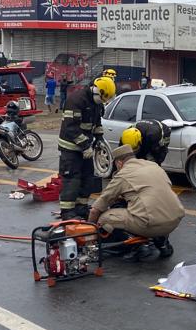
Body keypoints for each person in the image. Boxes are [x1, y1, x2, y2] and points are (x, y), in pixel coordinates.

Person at [88, 145, 183, 258]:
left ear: (119, 163)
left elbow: (95, 210)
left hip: (151, 224)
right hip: (174, 220)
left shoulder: (123, 175)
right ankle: (162, 242)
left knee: (105, 217)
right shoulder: (153, 166)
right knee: (152, 208)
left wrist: (90, 233)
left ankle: (137, 246)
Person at [57, 76, 114, 219]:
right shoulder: (76, 100)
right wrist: (84, 145)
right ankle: (67, 212)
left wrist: (99, 138)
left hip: (86, 149)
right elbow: (71, 128)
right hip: (70, 148)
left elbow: (97, 122)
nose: (102, 102)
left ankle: (81, 207)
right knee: (72, 180)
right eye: (102, 98)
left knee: (87, 179)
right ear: (95, 90)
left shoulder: (97, 102)